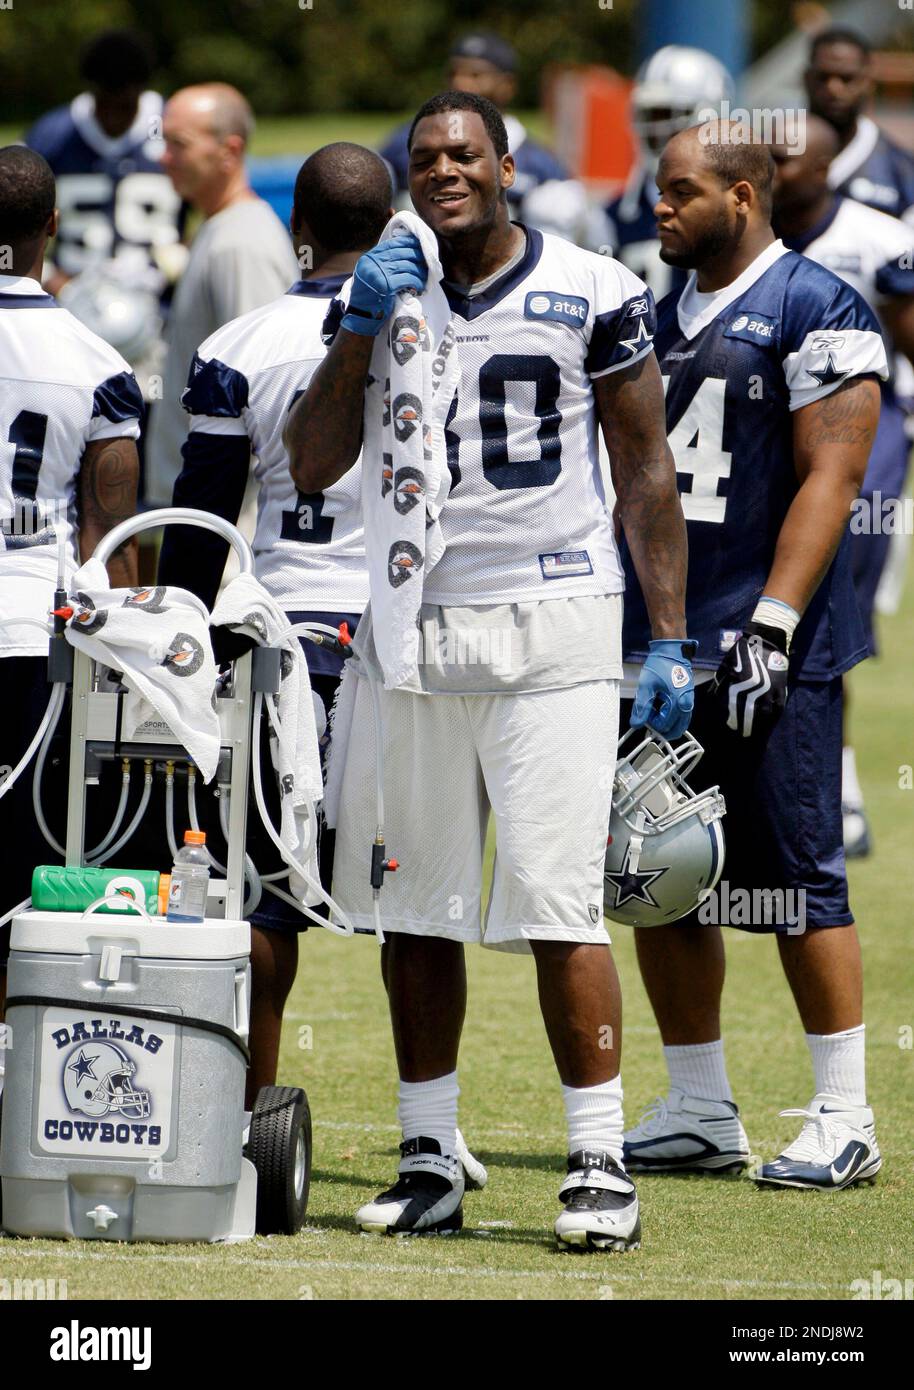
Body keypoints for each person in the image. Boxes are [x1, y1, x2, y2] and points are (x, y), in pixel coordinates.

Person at [286, 91, 693, 1249]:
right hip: (413, 627)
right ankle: (429, 1158)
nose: (443, 171)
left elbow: (643, 466)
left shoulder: (593, 286)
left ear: (506, 164)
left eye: (464, 152)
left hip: (552, 619)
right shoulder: (386, 283)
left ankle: (598, 1159)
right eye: (423, 158)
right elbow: (313, 466)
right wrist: (357, 327)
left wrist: (665, 633)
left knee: (562, 907)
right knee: (416, 910)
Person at [619, 122, 887, 1190]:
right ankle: (695, 1103)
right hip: (665, 641)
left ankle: (843, 1111)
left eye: (679, 192)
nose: (658, 207)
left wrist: (772, 623)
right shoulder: (647, 313)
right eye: (654, 189)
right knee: (653, 870)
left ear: (740, 193)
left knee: (794, 880)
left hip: (768, 637)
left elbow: (833, 475)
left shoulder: (816, 306)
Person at [156, 143, 392, 1104]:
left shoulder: (238, 346)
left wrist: (179, 630)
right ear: (390, 230)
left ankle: (242, 1101)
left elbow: (203, 524)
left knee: (260, 889)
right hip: (393, 635)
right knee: (412, 896)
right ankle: (430, 1122)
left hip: (274, 633)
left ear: (299, 230)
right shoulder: (434, 332)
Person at [0, 147, 143, 1030]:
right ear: (52, 226)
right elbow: (108, 546)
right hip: (27, 636)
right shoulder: (96, 361)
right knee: (19, 871)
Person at [771, 115, 914, 858]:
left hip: (857, 435)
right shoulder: (741, 229)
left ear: (826, 169)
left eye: (787, 156)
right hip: (759, 438)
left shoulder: (881, 237)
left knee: (829, 611)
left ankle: (843, 793)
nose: (773, 162)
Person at [145, 84, 299, 508]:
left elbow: (262, 392)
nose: (164, 157)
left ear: (229, 150)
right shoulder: (220, 229)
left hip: (225, 526)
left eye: (179, 144)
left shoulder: (241, 243)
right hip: (202, 513)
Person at [379, 33, 590, 242]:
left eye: (475, 75)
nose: (460, 83)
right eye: (453, 73)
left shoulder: (541, 164)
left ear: (507, 85)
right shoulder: (408, 142)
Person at [23, 29, 182, 297]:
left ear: (141, 92)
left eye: (124, 107)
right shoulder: (54, 135)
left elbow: (216, 204)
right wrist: (49, 276)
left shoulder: (173, 126)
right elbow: (12, 220)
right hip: (73, 302)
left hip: (160, 301)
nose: (112, 118)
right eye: (104, 104)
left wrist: (184, 259)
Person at [596, 45, 733, 300]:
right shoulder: (613, 216)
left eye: (669, 115)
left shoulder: (740, 207)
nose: (656, 130)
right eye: (650, 115)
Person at [804, 27, 914, 224]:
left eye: (847, 79)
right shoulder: (773, 159)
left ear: (868, 82)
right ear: (806, 79)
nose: (833, 89)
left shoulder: (903, 169)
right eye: (823, 77)